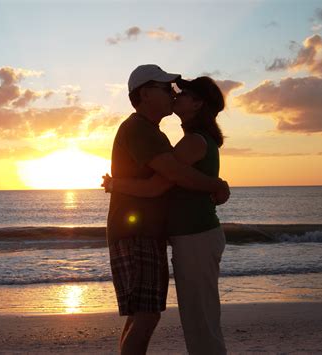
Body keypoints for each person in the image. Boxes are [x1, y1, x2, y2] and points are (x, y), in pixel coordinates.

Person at [106, 64, 230, 355]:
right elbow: (170, 178)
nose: (173, 94)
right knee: (148, 314)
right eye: (166, 89)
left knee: (152, 314)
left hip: (164, 235)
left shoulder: (160, 134)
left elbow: (165, 180)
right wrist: (217, 184)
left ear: (198, 104)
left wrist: (116, 184)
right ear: (145, 94)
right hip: (139, 234)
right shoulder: (140, 129)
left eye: (178, 91)